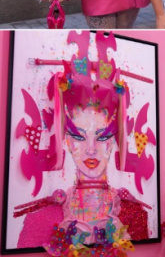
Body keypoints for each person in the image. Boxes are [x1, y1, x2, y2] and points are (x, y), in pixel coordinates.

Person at [13, 31, 153, 251]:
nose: (90, 150)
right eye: (78, 136)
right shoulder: (39, 217)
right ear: (66, 140)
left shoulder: (135, 213)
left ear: (114, 139)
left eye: (104, 136)